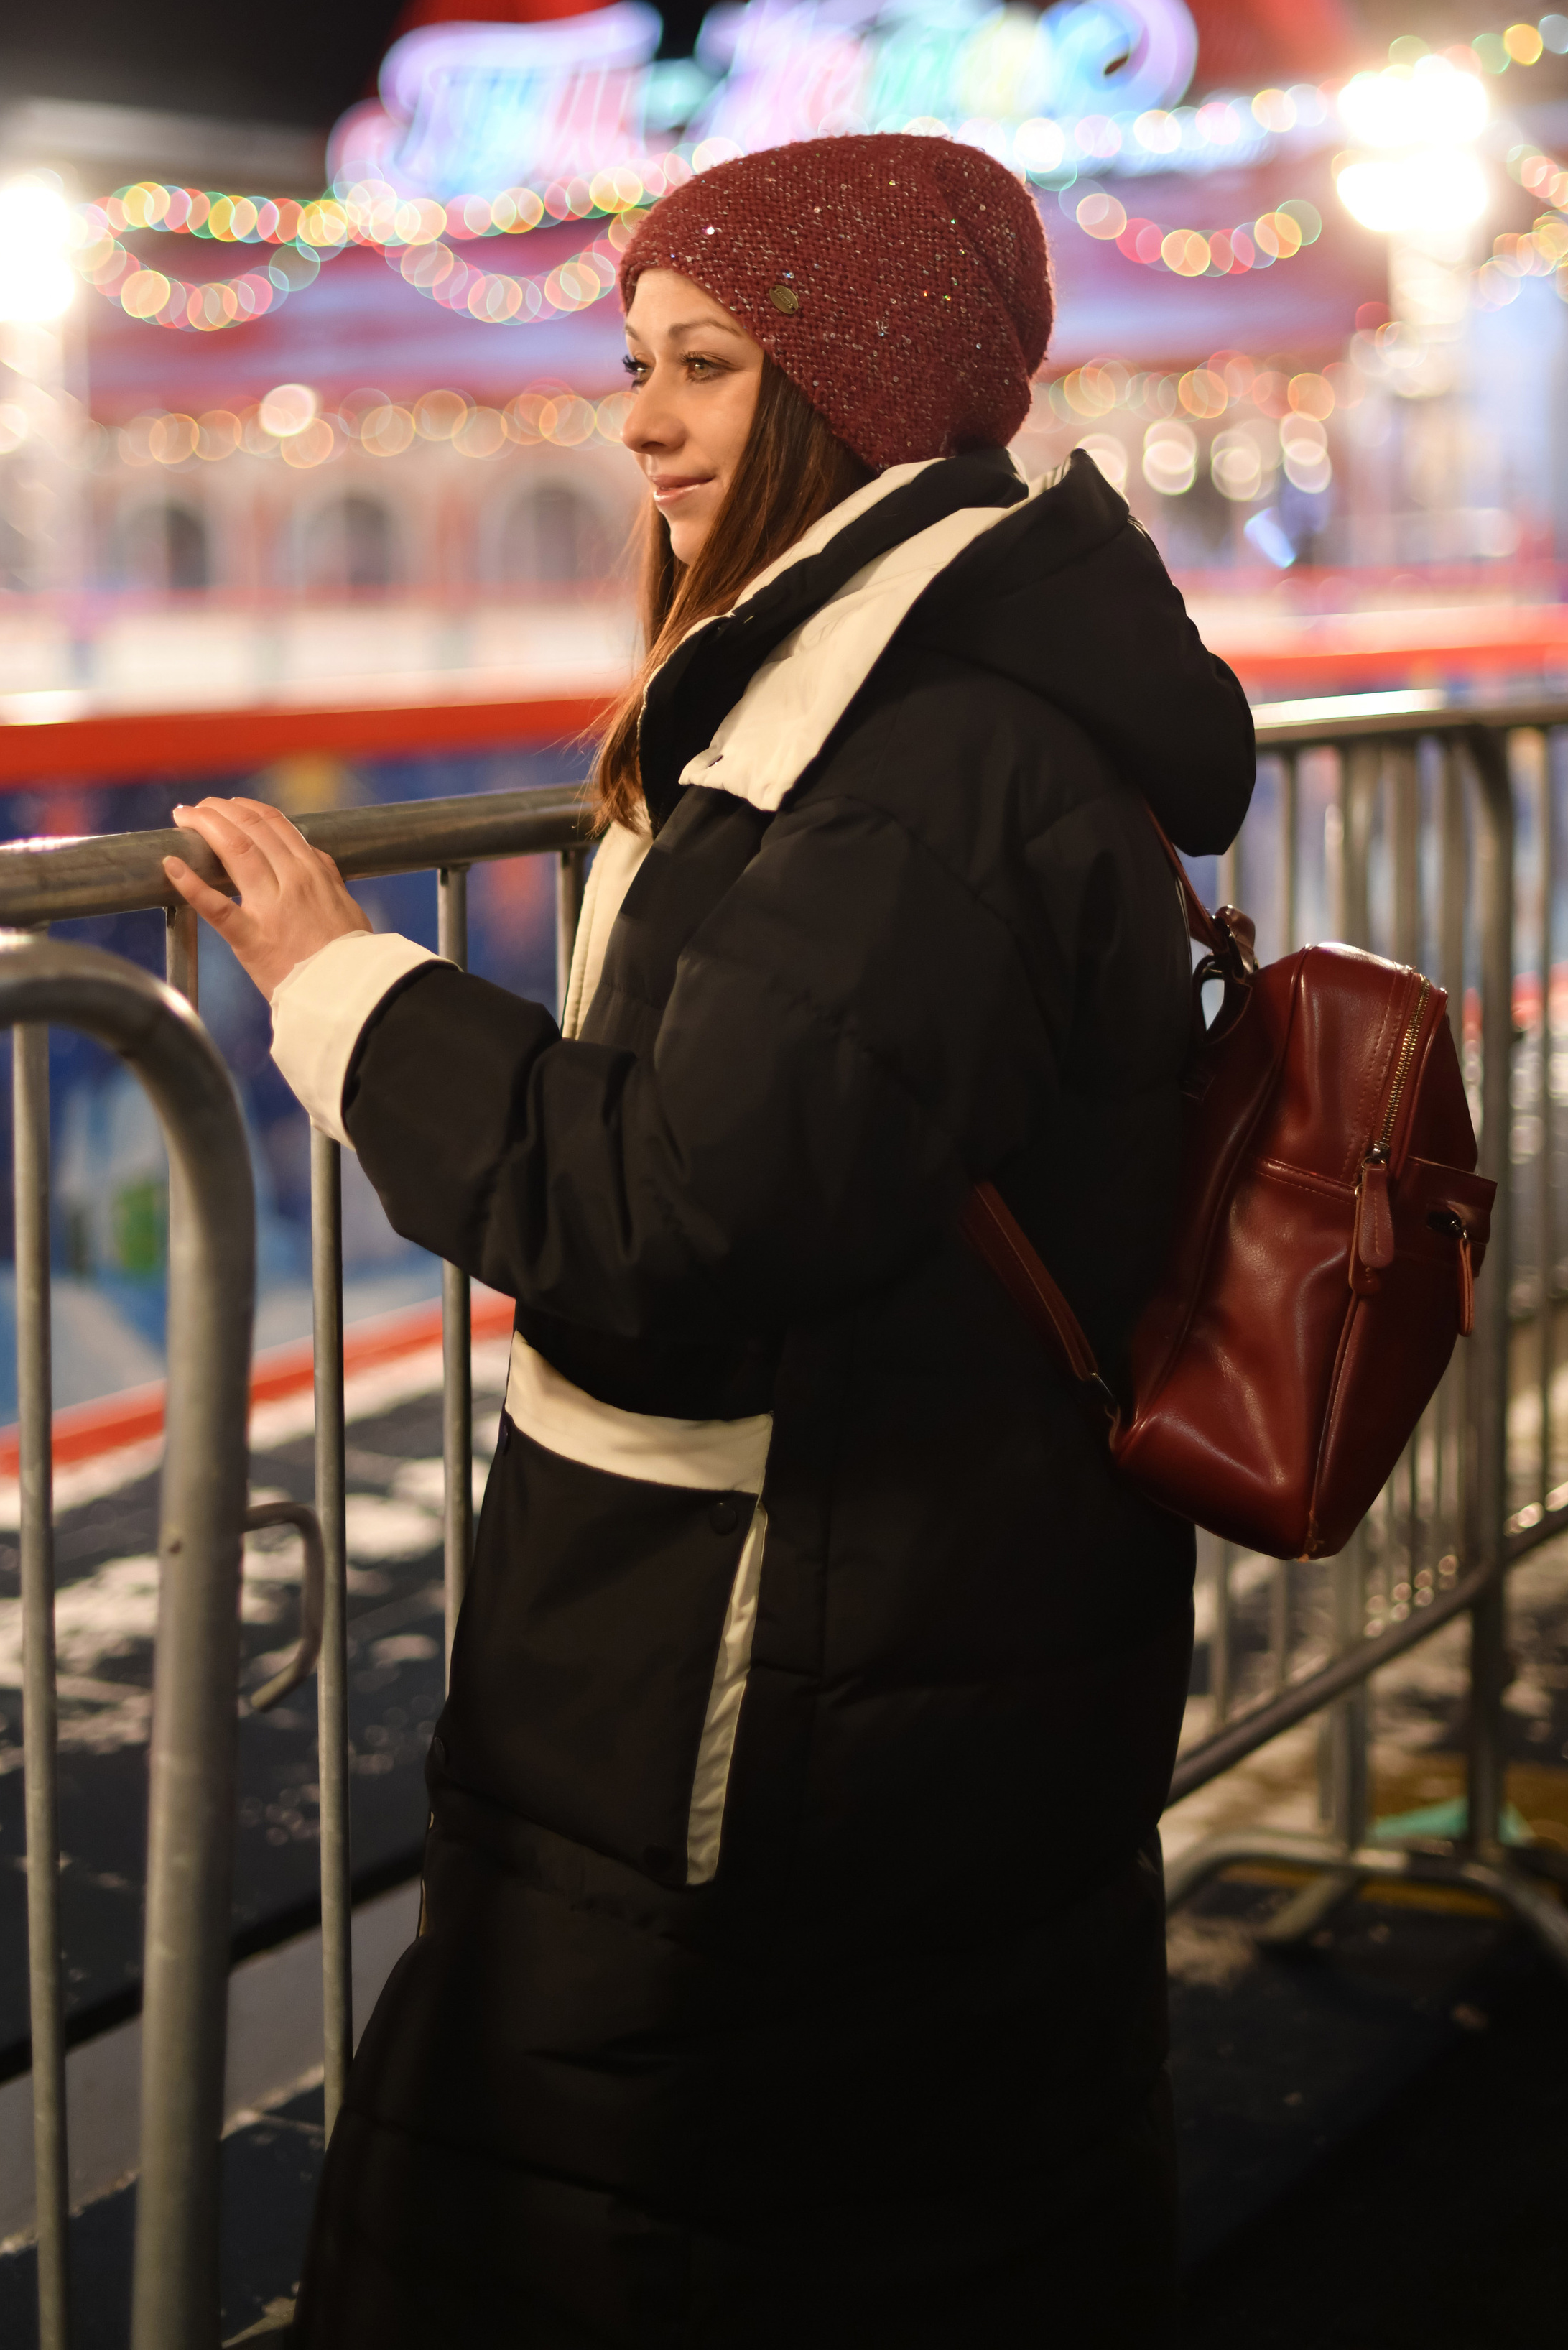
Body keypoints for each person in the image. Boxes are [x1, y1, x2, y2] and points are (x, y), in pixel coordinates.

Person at [164, 132, 1256, 2346]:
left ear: (847, 390)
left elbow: (674, 1208)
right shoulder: (912, 703)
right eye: (635, 362)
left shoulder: (924, 755)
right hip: (877, 1621)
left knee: (643, 2214)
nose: (641, 420)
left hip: (773, 1671)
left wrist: (340, 984)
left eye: (708, 367)